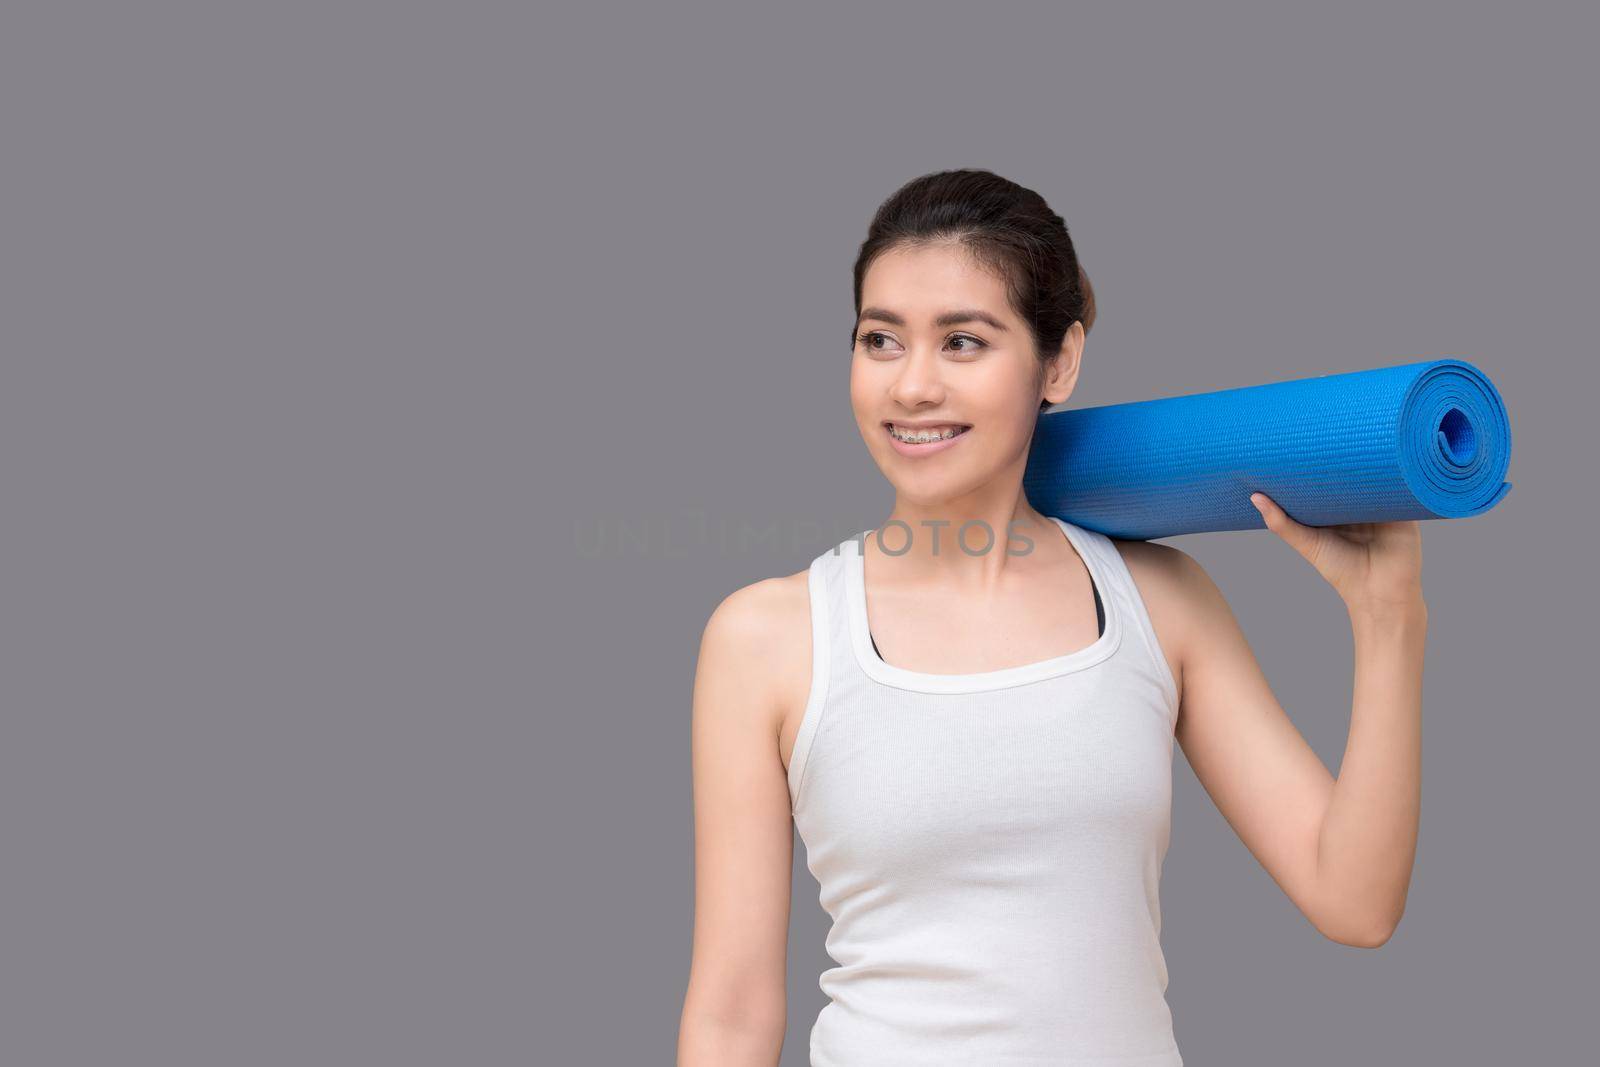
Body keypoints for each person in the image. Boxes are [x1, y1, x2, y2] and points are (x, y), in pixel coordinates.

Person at [677, 169, 1426, 1066]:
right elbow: (731, 1015)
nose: (912, 386)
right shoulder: (766, 640)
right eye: (881, 340)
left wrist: (1390, 623)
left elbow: (1354, 900)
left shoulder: (1160, 603)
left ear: (1059, 362)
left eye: (963, 342)